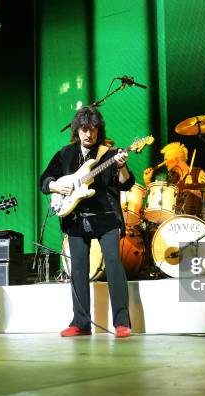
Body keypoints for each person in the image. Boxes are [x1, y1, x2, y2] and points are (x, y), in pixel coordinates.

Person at [40, 106, 134, 337]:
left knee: (113, 265)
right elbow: (45, 180)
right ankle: (80, 322)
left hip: (106, 218)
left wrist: (121, 167)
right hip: (75, 219)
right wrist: (55, 186)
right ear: (77, 129)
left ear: (98, 130)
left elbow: (126, 184)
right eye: (84, 129)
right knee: (78, 270)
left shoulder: (110, 154)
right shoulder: (65, 153)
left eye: (92, 129)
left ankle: (122, 322)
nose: (88, 134)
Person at [143, 141, 205, 216]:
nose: (165, 163)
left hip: (192, 222)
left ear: (176, 159)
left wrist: (192, 189)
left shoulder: (197, 173)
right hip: (174, 222)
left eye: (166, 159)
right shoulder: (172, 179)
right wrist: (147, 181)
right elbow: (160, 202)